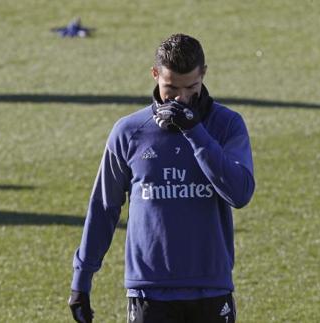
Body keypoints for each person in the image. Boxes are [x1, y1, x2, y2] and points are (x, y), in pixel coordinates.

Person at [68, 33, 255, 323]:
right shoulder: (129, 132)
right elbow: (104, 208)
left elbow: (239, 193)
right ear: (155, 75)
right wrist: (81, 280)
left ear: (203, 74)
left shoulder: (226, 125)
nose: (181, 98)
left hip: (210, 289)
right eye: (171, 88)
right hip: (149, 293)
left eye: (191, 87)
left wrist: (196, 133)